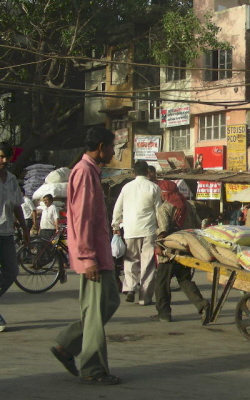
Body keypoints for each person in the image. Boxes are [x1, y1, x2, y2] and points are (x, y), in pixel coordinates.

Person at [51, 126, 121, 385]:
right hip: (92, 255)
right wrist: (88, 258)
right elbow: (80, 219)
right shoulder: (83, 172)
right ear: (101, 146)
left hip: (101, 253)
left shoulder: (92, 171)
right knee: (94, 314)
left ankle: (66, 345)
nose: (114, 152)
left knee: (109, 302)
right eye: (113, 147)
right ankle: (94, 369)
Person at [153, 181, 209, 323]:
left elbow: (163, 230)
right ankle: (202, 305)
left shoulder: (165, 208)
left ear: (165, 193)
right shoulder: (188, 206)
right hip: (186, 250)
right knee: (184, 280)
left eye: (161, 192)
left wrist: (159, 246)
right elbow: (197, 226)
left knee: (161, 283)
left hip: (170, 251)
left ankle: (164, 313)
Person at [112, 160, 162, 305]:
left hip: (130, 229)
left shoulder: (126, 187)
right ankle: (144, 298)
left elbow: (118, 207)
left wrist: (115, 224)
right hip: (149, 229)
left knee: (130, 260)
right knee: (148, 263)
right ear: (148, 171)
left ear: (134, 172)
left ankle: (130, 287)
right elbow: (159, 211)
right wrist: (161, 229)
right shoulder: (154, 187)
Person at [0, 142, 30, 332]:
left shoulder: (11, 179)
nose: (3, 160)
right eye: (0, 156)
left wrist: (25, 228)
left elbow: (18, 205)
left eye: (6, 157)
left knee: (11, 271)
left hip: (7, 233)